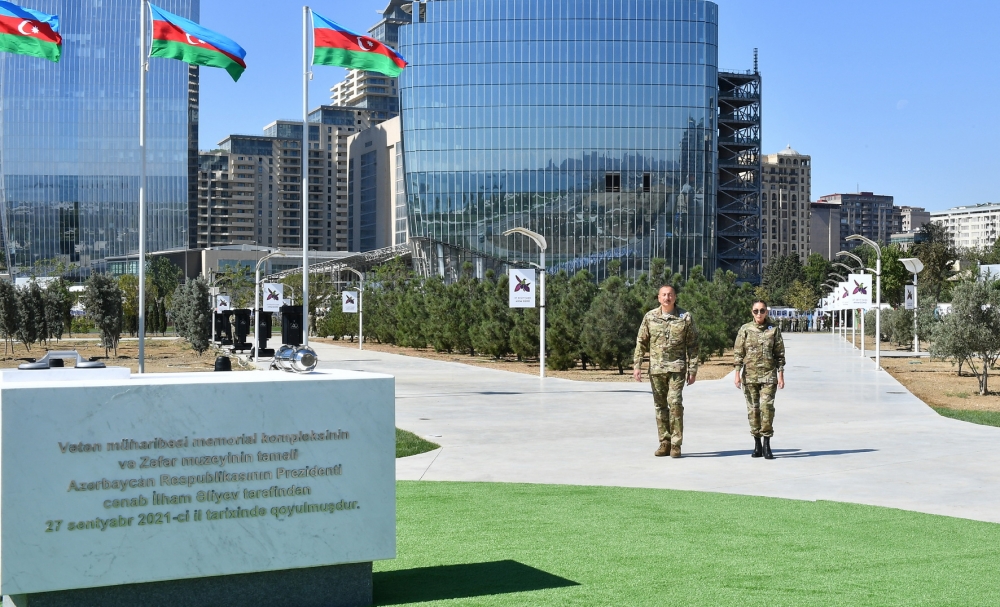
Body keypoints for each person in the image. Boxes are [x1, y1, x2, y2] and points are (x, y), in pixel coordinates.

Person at [633, 284, 699, 458]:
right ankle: (665, 442)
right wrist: (637, 365)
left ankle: (676, 444)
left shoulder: (685, 317)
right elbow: (641, 342)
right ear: (659, 298)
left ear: (675, 297)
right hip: (656, 369)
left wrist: (693, 368)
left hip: (677, 368)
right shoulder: (650, 317)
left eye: (670, 295)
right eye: (664, 295)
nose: (667, 298)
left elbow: (693, 344)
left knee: (675, 403)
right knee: (660, 406)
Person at [733, 300, 786, 459]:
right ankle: (757, 444)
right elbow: (738, 353)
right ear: (752, 312)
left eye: (762, 311)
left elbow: (780, 354)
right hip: (749, 377)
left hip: (769, 376)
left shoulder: (773, 330)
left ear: (766, 312)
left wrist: (781, 374)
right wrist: (737, 373)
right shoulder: (745, 329)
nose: (759, 314)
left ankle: (767, 444)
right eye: (756, 311)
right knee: (753, 410)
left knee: (767, 409)